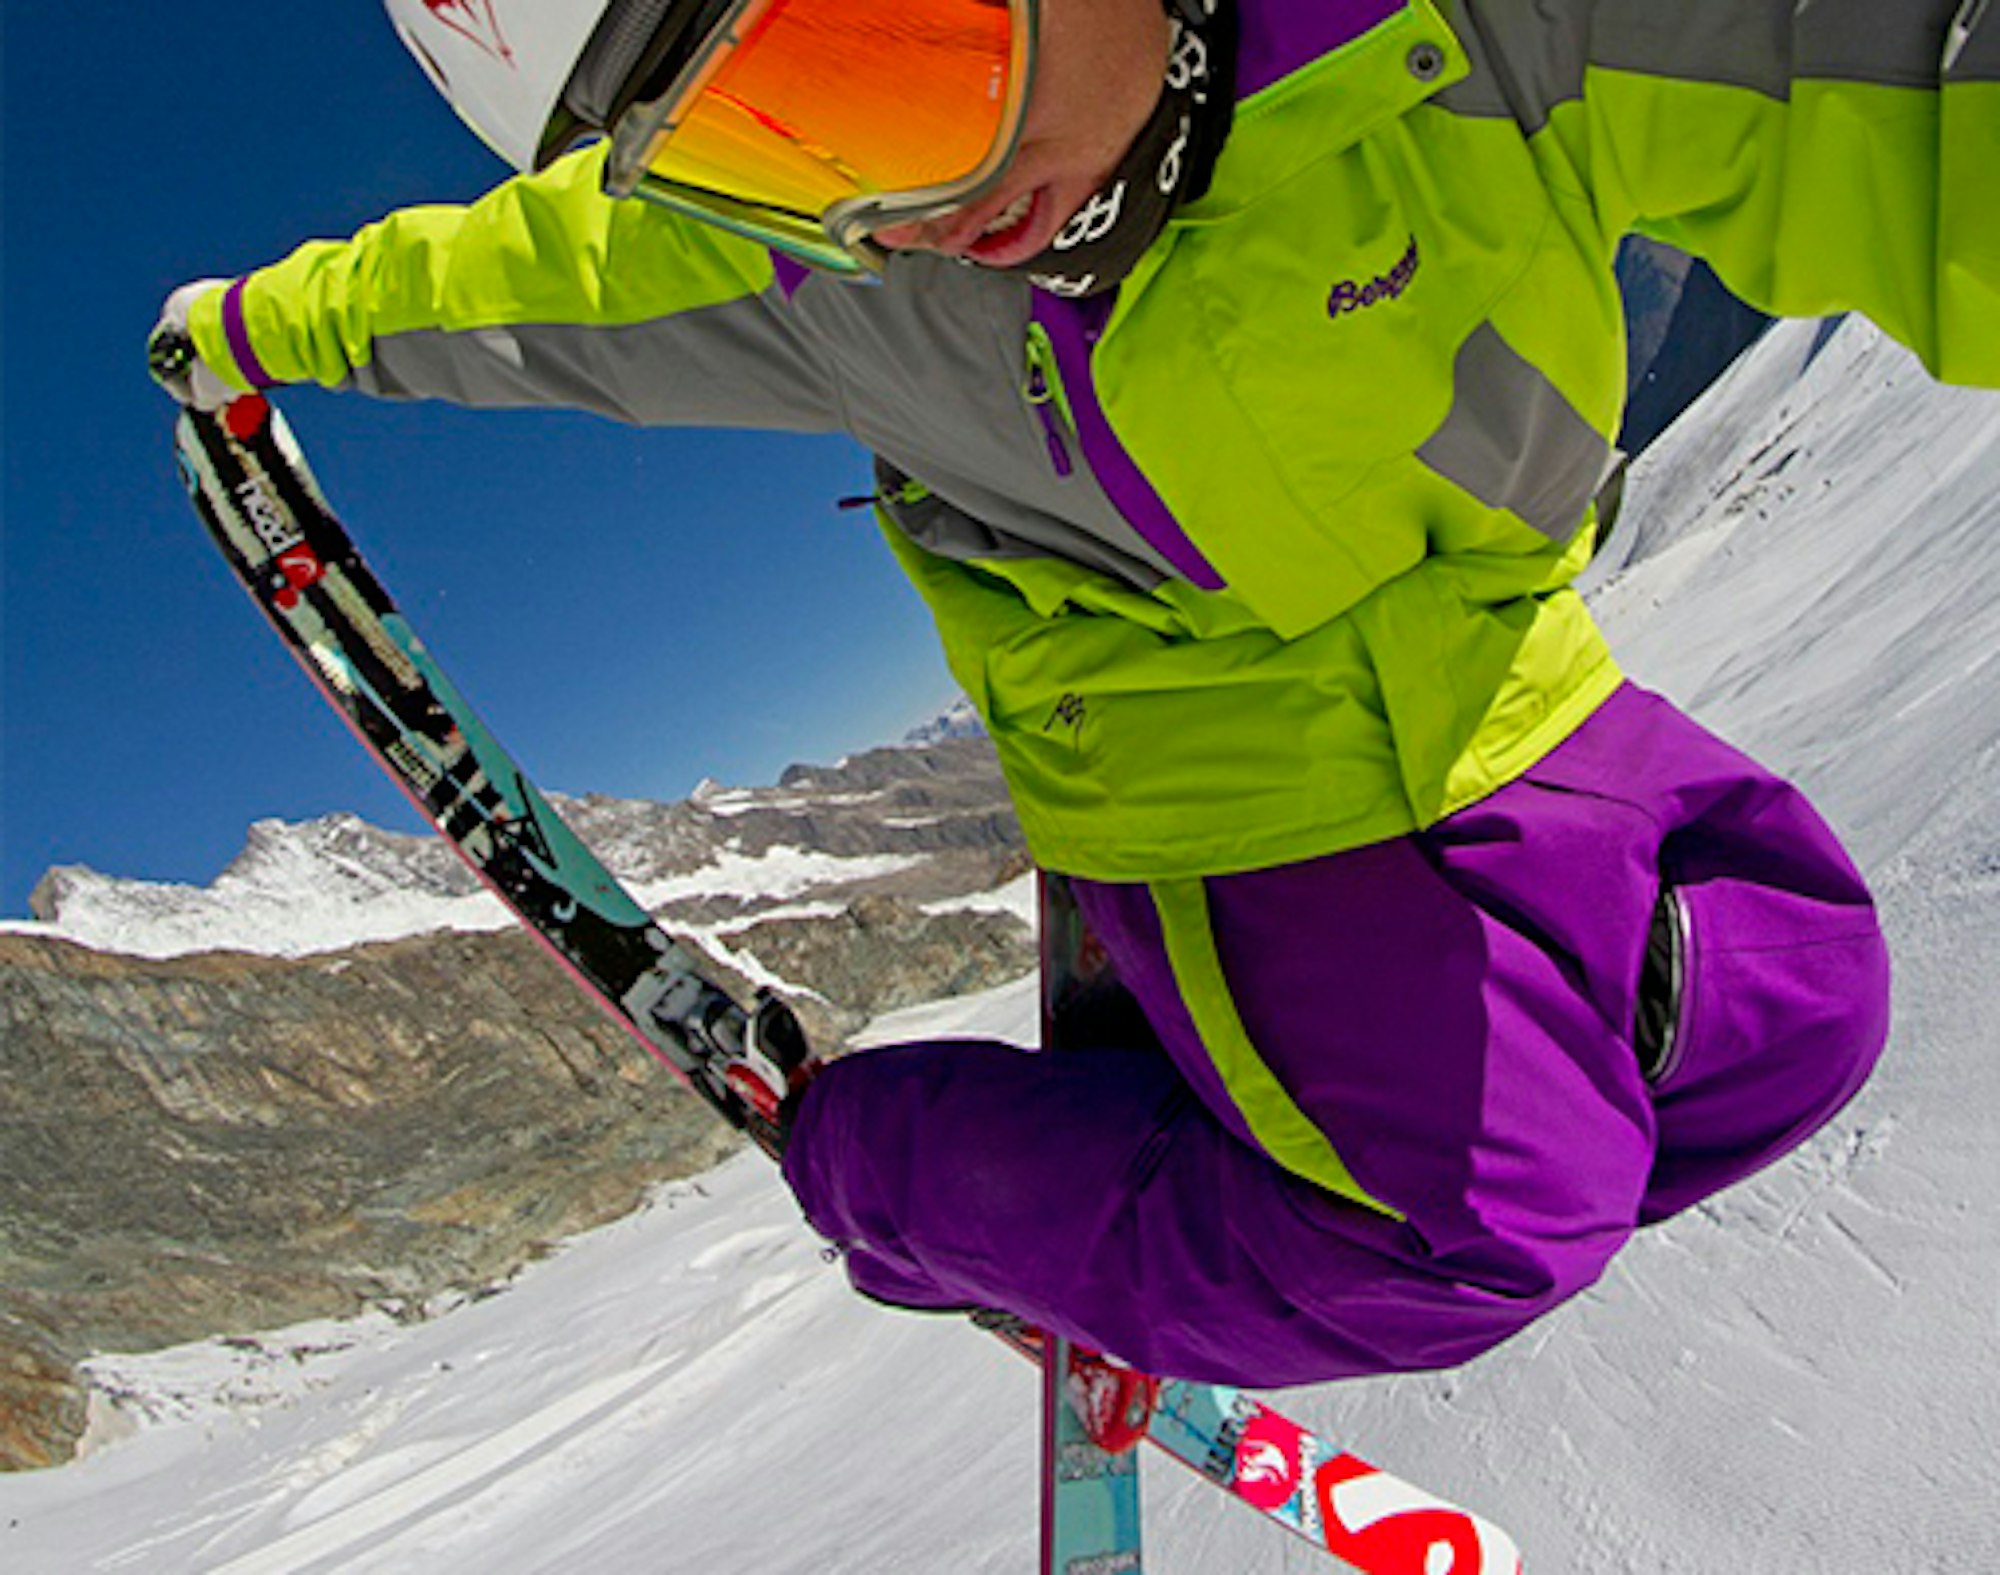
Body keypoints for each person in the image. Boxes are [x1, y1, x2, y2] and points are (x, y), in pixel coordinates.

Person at [151, 0, 1997, 1389]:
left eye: (878, 66)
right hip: (1240, 796)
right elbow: (506, 275)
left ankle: (1223, 1156)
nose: (899, 206)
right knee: (1479, 1227)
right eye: (757, 162)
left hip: (1519, 686)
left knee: (1812, 1003)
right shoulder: (819, 266)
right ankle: (899, 1170)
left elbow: (1879, 82)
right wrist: (251, 328)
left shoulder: (1449, 41)